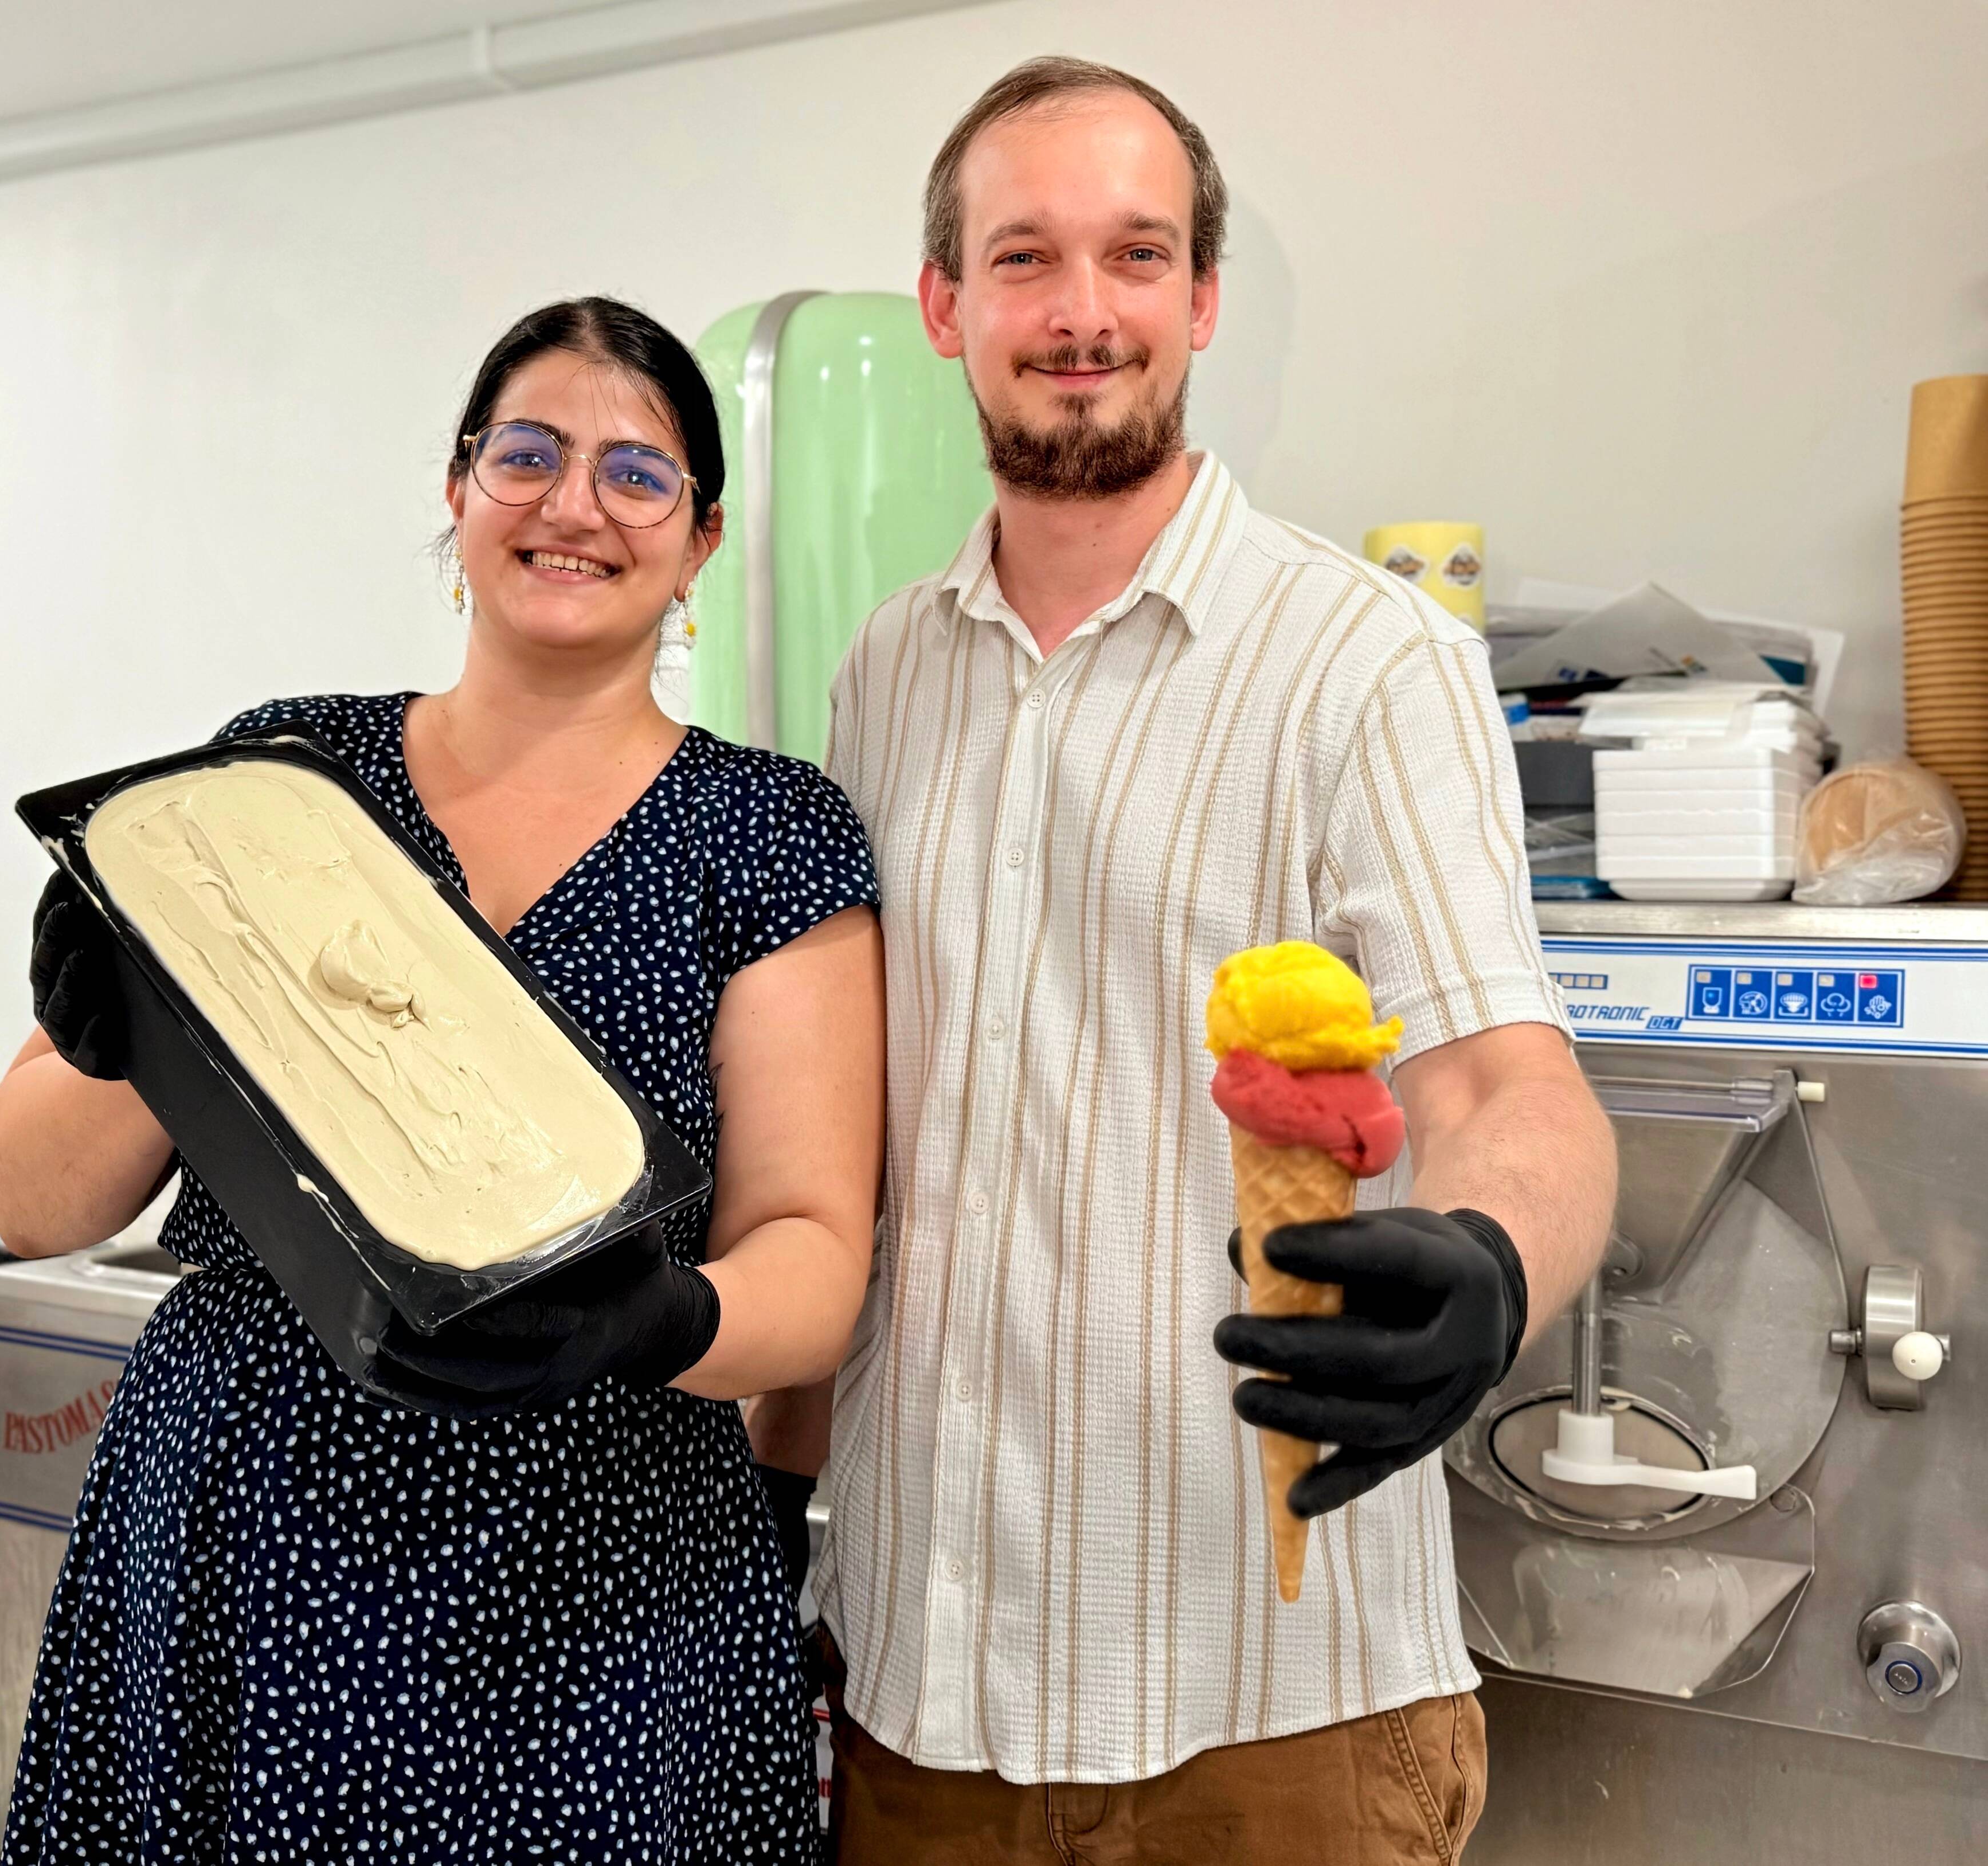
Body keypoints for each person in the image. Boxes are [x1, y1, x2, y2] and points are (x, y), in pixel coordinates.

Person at [746, 58, 1618, 1865]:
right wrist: (781, 1484)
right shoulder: (880, 675)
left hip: (1267, 1716)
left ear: (1203, 300)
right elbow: (868, 1156)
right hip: (925, 1698)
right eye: (1026, 259)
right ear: (946, 306)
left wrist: (1489, 1264)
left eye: (1137, 258)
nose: (1083, 314)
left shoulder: (1365, 662)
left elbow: (1506, 1086)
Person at [0, 296, 885, 1865]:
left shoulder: (771, 837)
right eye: (525, 454)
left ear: (704, 536)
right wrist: (124, 1036)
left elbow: (814, 1256)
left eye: (637, 472)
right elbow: (34, 1198)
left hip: (604, 1566)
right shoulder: (281, 778)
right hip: (241, 1521)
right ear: (458, 490)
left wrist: (664, 1317)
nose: (571, 504)